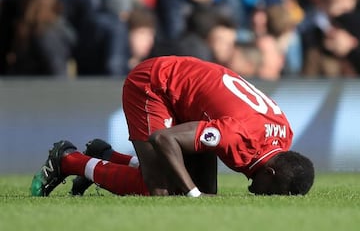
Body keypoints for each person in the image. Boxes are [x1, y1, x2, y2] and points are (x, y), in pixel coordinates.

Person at [31, 56, 314, 197]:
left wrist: (197, 189)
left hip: (188, 94)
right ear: (270, 171)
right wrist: (193, 195)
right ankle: (69, 160)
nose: (265, 197)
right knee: (160, 187)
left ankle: (108, 158)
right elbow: (164, 139)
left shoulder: (282, 135)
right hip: (155, 84)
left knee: (204, 189)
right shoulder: (239, 137)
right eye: (273, 192)